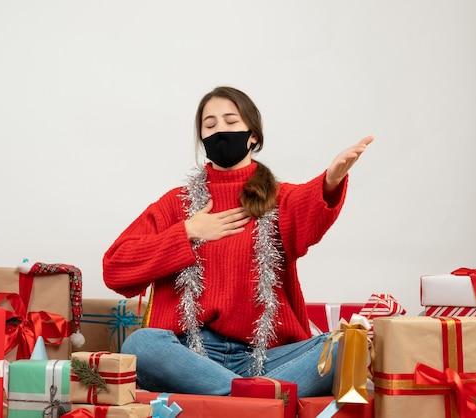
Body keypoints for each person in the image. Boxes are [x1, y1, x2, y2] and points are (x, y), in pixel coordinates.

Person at [102, 86, 373, 397]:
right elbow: (115, 268)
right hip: (191, 357)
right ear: (201, 137)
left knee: (341, 346)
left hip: (266, 359)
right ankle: (255, 401)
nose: (220, 131)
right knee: (141, 344)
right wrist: (187, 232)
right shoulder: (176, 204)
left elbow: (308, 208)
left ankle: (236, 399)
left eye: (231, 121)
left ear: (253, 135)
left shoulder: (279, 199)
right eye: (210, 124)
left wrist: (331, 180)